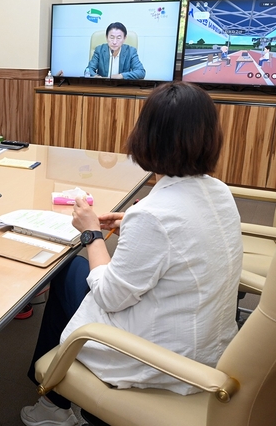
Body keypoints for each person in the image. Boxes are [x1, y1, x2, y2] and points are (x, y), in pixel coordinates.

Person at [21, 81, 242, 426]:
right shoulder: (220, 191)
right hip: (207, 345)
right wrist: (135, 228)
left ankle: (54, 402)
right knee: (77, 272)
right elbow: (184, 246)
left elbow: (109, 296)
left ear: (148, 136)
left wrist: (92, 234)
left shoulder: (153, 215)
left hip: (160, 361)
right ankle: (53, 400)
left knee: (70, 272)